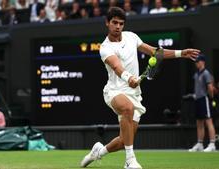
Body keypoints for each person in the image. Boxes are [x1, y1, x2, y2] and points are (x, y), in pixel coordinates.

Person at [80, 7, 200, 169]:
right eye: (114, 23)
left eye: (121, 23)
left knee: (124, 141)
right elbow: (116, 66)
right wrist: (129, 77)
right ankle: (130, 161)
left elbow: (155, 52)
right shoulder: (105, 47)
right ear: (107, 23)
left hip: (134, 94)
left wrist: (181, 53)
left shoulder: (131, 37)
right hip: (114, 91)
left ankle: (98, 152)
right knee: (127, 108)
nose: (118, 26)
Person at [188, 55, 217, 152]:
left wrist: (211, 98)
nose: (196, 63)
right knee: (199, 122)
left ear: (203, 62)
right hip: (197, 100)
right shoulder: (196, 74)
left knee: (208, 121)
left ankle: (212, 144)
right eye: (196, 62)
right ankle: (200, 144)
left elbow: (210, 87)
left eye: (198, 61)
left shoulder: (206, 73)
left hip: (205, 99)